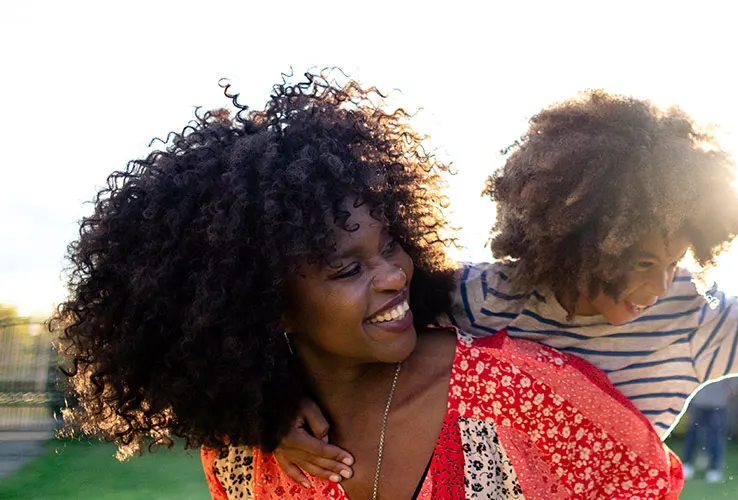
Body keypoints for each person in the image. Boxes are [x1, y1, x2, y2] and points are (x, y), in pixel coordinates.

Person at [53, 74, 681, 499]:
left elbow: (648, 483)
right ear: (264, 304)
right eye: (346, 268)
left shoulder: (518, 392)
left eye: (389, 246)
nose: (392, 275)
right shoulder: (245, 453)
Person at [276, 90, 738, 483]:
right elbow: (353, 334)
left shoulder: (687, 317)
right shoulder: (485, 297)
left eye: (672, 262)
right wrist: (271, 405)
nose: (657, 284)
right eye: (638, 263)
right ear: (566, 244)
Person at [680, 379, 732, 483]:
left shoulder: (725, 365)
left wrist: (720, 398)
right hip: (699, 403)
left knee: (715, 437)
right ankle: (687, 464)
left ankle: (714, 469)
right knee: (693, 435)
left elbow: (731, 388)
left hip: (717, 405)